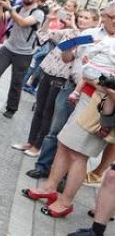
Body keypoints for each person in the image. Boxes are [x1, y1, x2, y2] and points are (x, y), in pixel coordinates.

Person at [21, 32, 115, 220]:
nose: (108, 20)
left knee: (79, 154)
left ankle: (65, 201)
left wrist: (96, 78)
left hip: (101, 104)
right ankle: (50, 187)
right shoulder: (103, 39)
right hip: (87, 96)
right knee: (63, 145)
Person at [11, 8, 96, 157]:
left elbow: (68, 46)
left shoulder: (90, 37)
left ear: (95, 22)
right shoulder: (69, 31)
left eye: (86, 18)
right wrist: (49, 20)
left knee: (48, 112)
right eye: (80, 16)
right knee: (39, 108)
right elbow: (43, 36)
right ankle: (30, 142)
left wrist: (73, 28)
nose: (81, 19)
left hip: (63, 77)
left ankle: (38, 146)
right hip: (48, 70)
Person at [23, 0, 78, 94]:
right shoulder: (60, 14)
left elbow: (76, 39)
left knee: (40, 69)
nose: (66, 7)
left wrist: (71, 25)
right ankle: (24, 84)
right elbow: (46, 32)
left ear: (74, 9)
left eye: (69, 6)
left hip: (59, 54)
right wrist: (50, 19)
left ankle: (32, 86)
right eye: (66, 4)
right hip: (49, 43)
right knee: (35, 64)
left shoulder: (76, 24)